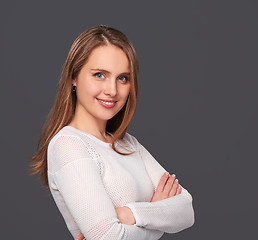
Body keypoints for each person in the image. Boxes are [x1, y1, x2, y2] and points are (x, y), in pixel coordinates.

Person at [29, 25, 195, 240]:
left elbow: (186, 210)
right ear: (74, 77)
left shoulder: (128, 144)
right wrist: (155, 211)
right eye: (99, 75)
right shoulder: (68, 145)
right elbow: (108, 237)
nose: (112, 90)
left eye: (123, 78)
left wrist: (130, 213)